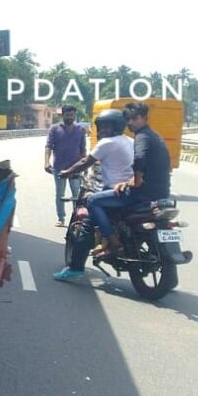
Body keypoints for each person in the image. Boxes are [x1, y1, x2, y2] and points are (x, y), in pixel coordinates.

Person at [52, 109, 135, 281]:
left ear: (116, 126)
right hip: (131, 190)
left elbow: (85, 162)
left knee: (88, 222)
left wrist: (67, 172)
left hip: (115, 191)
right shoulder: (130, 141)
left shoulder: (106, 143)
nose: (102, 130)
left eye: (106, 126)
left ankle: (76, 267)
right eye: (100, 127)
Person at [87, 102, 172, 257]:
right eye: (128, 119)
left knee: (93, 201)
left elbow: (139, 158)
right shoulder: (156, 137)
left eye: (134, 118)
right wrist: (128, 181)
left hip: (142, 194)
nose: (130, 123)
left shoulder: (142, 137)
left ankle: (113, 241)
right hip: (162, 193)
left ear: (144, 118)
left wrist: (135, 181)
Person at [44, 104, 86, 227]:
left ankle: (77, 219)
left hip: (76, 167)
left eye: (72, 115)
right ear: (62, 115)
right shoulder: (54, 129)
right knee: (60, 194)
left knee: (77, 194)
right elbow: (48, 146)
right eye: (67, 115)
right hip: (59, 167)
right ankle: (61, 218)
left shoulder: (80, 130)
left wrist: (84, 166)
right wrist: (46, 162)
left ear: (75, 115)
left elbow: (83, 150)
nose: (70, 117)